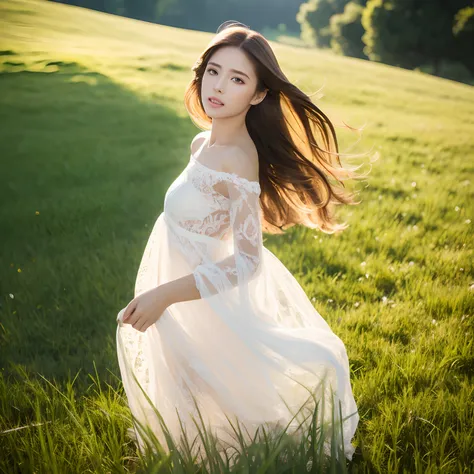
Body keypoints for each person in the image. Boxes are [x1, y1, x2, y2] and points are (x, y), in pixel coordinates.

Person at [116, 20, 371, 466]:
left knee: (231, 407)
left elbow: (248, 263)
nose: (218, 87)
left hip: (198, 298)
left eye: (237, 79)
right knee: (190, 399)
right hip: (181, 289)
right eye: (214, 71)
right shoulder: (202, 144)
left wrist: (163, 296)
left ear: (257, 95)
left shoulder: (237, 160)